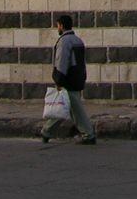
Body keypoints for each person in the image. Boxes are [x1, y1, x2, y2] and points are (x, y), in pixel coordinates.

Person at [41, 14, 96, 145]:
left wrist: (58, 79)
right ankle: (46, 131)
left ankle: (88, 135)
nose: (57, 28)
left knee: (70, 108)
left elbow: (61, 62)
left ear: (61, 25)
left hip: (68, 80)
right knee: (65, 106)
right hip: (77, 78)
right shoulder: (78, 40)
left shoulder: (64, 42)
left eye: (57, 25)